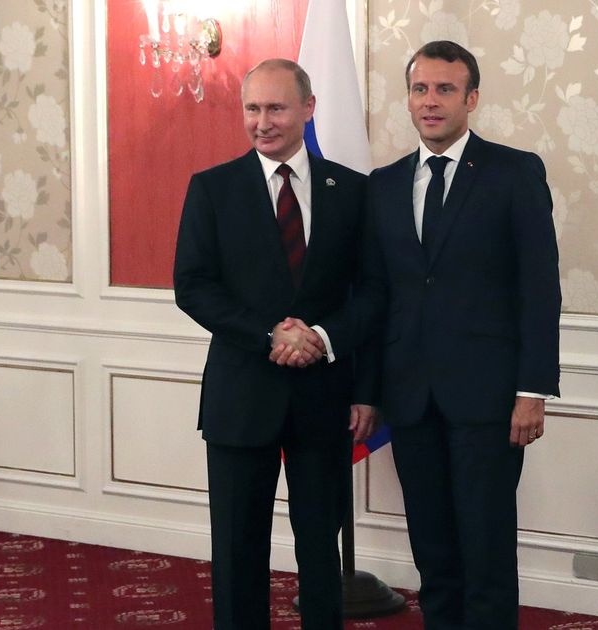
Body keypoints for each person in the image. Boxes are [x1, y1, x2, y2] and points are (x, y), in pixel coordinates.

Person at [359, 40, 561, 629]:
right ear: (408, 99)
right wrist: (366, 392)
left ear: (471, 99)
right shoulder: (383, 184)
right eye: (420, 89)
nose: (430, 101)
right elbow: (375, 296)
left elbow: (539, 289)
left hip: (489, 400)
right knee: (434, 551)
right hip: (410, 397)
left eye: (445, 89)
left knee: (486, 548)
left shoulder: (514, 173)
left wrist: (532, 389)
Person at [173, 58, 377, 630]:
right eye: (253, 109)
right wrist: (270, 336)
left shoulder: (351, 190)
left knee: (320, 550)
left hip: (324, 398)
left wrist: (323, 340)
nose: (262, 122)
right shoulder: (212, 189)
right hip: (241, 399)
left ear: (308, 109)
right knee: (237, 549)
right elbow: (192, 286)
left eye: (276, 108)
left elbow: (372, 292)